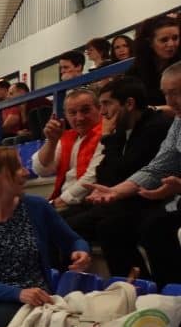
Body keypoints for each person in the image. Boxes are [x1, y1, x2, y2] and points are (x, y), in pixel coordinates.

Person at [0, 146, 90, 327]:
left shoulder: (37, 207)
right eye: (18, 167)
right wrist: (15, 293)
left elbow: (73, 240)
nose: (25, 172)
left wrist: (80, 251)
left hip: (31, 298)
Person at [65, 75, 172, 275]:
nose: (102, 111)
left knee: (110, 227)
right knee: (61, 222)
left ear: (129, 103)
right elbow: (105, 175)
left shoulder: (156, 127)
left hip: (146, 201)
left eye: (106, 104)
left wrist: (107, 138)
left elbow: (126, 171)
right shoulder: (122, 131)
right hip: (122, 198)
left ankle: (139, 286)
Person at [86, 62, 181, 284]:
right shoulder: (178, 122)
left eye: (175, 93)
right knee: (118, 227)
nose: (169, 102)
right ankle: (151, 292)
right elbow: (159, 166)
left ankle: (172, 292)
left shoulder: (156, 125)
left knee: (155, 226)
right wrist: (115, 192)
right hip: (171, 199)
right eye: (166, 94)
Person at [31, 87, 104, 209]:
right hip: (66, 202)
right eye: (73, 113)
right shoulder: (68, 137)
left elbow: (92, 177)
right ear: (65, 115)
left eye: (85, 110)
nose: (79, 118)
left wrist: (55, 204)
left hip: (88, 203)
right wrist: (51, 141)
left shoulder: (106, 134)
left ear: (99, 109)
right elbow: (41, 170)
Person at [129, 13, 180, 111]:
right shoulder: (135, 73)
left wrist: (155, 109)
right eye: (164, 40)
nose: (171, 44)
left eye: (175, 38)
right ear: (150, 42)